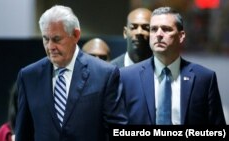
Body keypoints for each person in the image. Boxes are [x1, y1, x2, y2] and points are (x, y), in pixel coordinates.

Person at [15, 5, 127, 141]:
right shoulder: (29, 77)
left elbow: (117, 131)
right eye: (46, 39)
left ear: (76, 35)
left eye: (56, 39)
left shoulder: (104, 75)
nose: (50, 46)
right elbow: (23, 133)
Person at [119, 6, 226, 125]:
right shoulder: (127, 77)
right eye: (154, 29)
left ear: (181, 36)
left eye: (166, 29)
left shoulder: (204, 78)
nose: (159, 34)